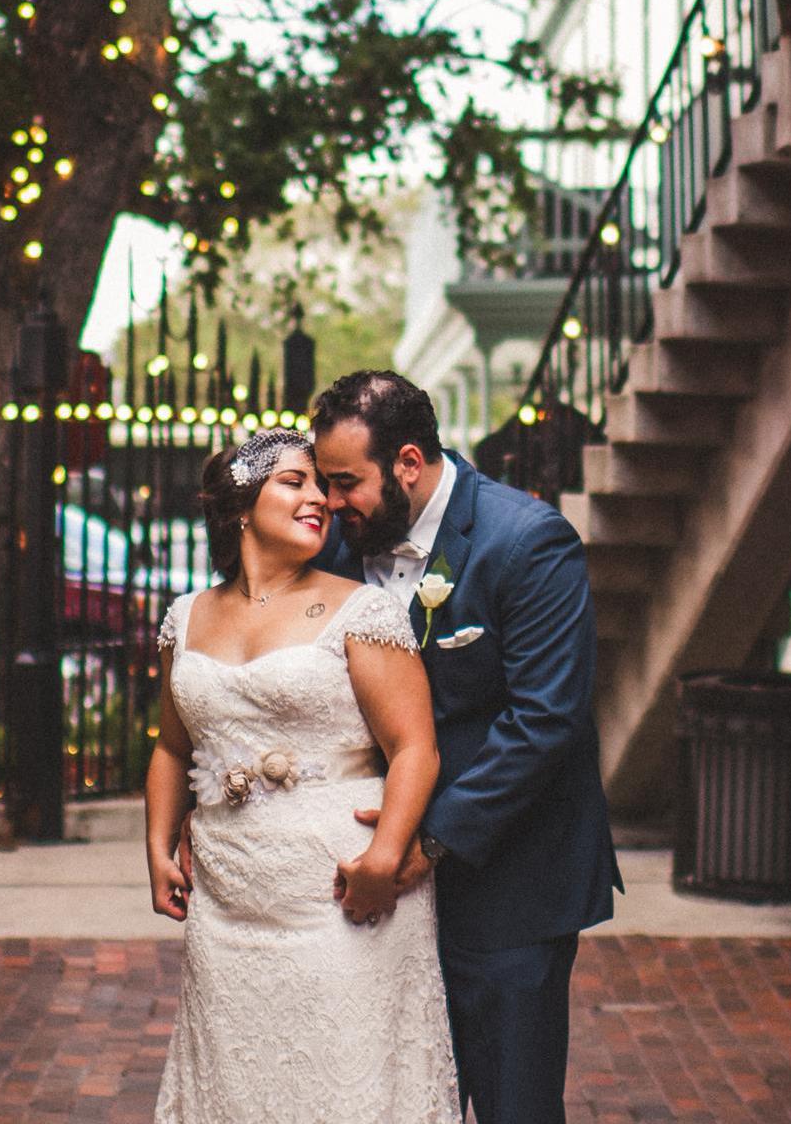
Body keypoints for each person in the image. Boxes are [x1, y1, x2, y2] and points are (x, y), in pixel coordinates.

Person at [306, 369, 617, 1124]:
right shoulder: (340, 556)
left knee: (515, 1106)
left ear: (408, 462)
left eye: (346, 482)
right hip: (379, 903)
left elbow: (545, 721)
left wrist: (426, 845)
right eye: (324, 482)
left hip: (510, 885)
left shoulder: (527, 542)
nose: (330, 502)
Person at [142, 426, 467, 1124]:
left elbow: (416, 748)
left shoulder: (361, 609)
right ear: (239, 506)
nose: (319, 497)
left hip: (340, 892)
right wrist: (156, 849)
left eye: (321, 483)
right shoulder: (186, 618)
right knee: (238, 1085)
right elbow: (172, 747)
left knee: (345, 1082)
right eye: (295, 482)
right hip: (228, 900)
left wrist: (384, 859)